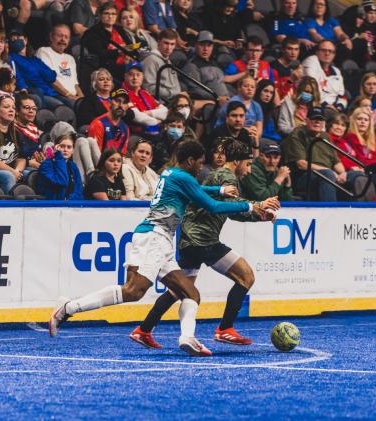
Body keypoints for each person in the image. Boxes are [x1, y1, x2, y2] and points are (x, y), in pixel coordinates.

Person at [49, 139, 271, 357]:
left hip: (161, 240)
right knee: (133, 291)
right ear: (190, 160)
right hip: (154, 237)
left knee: (190, 293)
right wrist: (252, 205)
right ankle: (69, 308)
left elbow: (199, 191)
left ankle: (187, 337)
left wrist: (220, 190)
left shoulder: (171, 174)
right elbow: (210, 205)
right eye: (199, 162)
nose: (201, 167)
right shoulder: (184, 177)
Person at [130, 140, 279, 348]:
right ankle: (225, 329)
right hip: (203, 239)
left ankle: (144, 329)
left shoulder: (219, 175)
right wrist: (258, 206)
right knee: (246, 276)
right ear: (236, 161)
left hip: (189, 240)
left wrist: (259, 214)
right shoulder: (227, 177)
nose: (249, 169)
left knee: (180, 289)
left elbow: (232, 211)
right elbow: (228, 207)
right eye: (248, 164)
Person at [281, 107, 347, 201]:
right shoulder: (298, 133)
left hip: (327, 173)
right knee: (327, 175)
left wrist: (343, 173)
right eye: (314, 119)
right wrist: (329, 171)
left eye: (320, 120)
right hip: (304, 176)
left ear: (324, 123)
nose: (317, 122)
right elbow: (301, 164)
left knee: (356, 176)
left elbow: (336, 162)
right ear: (306, 120)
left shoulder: (325, 136)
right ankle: (330, 212)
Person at [8, 31, 65, 111]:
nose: (16, 41)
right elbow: (17, 76)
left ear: (25, 40)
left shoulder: (34, 59)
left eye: (18, 38)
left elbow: (51, 76)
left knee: (72, 103)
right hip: (37, 93)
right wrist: (23, 87)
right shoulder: (11, 58)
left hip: (51, 92)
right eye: (13, 40)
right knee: (61, 107)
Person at [35, 24, 84, 108]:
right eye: (60, 36)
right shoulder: (44, 51)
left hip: (72, 97)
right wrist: (69, 95)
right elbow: (51, 80)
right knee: (78, 106)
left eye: (66, 37)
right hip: (55, 94)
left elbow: (75, 84)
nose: (63, 40)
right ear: (51, 37)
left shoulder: (70, 58)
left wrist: (82, 97)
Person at [81, 2, 130, 80]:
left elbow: (130, 46)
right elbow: (99, 53)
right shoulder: (92, 32)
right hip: (108, 68)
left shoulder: (120, 30)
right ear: (100, 15)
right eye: (106, 13)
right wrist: (119, 51)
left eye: (113, 14)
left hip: (127, 65)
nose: (110, 16)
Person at [181, 31, 228, 105]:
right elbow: (195, 90)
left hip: (225, 101)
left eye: (209, 45)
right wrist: (217, 98)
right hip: (209, 104)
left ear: (212, 47)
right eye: (202, 45)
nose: (205, 49)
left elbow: (222, 82)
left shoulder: (214, 63)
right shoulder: (191, 65)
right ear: (196, 45)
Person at [121, 61, 168, 135]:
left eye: (138, 75)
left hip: (155, 132)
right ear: (125, 76)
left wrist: (147, 113)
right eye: (131, 75)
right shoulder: (122, 94)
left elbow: (165, 111)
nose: (135, 78)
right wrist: (158, 121)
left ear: (143, 77)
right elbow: (138, 117)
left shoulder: (145, 93)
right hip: (137, 134)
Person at [36, 129, 83, 200]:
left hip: (71, 205)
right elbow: (62, 181)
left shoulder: (73, 166)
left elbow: (79, 191)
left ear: (73, 151)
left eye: (69, 147)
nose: (65, 150)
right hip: (52, 206)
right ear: (56, 148)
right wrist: (59, 157)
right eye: (62, 146)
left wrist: (70, 199)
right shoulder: (46, 165)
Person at [302, 40, 347, 111]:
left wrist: (338, 107)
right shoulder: (311, 61)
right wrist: (326, 105)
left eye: (330, 51)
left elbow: (342, 96)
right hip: (312, 106)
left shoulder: (336, 71)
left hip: (333, 109)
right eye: (323, 50)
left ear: (334, 55)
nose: (327, 53)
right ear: (317, 52)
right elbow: (313, 89)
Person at [217, 76, 263, 142]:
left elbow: (259, 129)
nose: (250, 89)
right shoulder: (232, 102)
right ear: (239, 88)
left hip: (249, 137)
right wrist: (247, 132)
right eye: (246, 86)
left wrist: (255, 137)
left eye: (252, 87)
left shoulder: (257, 106)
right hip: (228, 135)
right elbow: (230, 125)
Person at [88, 88, 130, 155]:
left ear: (127, 107)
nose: (121, 106)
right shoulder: (98, 124)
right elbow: (95, 155)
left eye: (124, 103)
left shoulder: (125, 128)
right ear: (109, 103)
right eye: (117, 101)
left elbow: (122, 154)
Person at [142, 29, 181, 102]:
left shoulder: (168, 60)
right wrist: (173, 93)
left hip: (172, 99)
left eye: (172, 44)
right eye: (166, 43)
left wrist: (179, 95)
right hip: (160, 102)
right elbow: (149, 88)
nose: (169, 48)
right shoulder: (150, 59)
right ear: (158, 42)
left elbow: (176, 84)